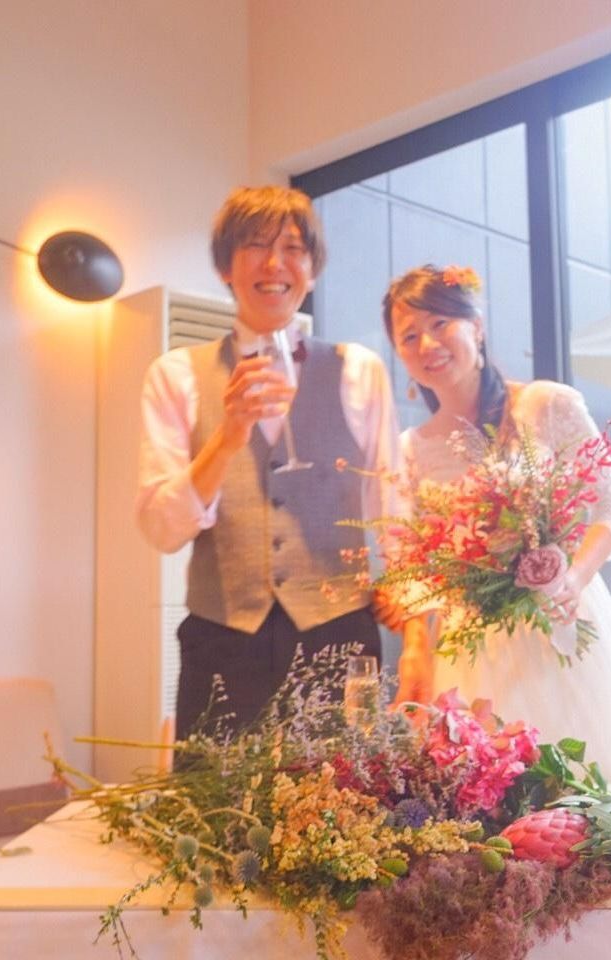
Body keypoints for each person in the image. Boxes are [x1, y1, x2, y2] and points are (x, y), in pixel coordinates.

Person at [383, 263, 611, 783]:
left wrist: (573, 579)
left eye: (440, 323)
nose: (428, 344)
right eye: (409, 336)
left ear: (476, 326)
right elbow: (410, 570)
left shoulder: (546, 404)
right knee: (494, 794)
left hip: (561, 623)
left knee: (590, 787)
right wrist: (415, 655)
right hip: (474, 645)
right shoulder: (411, 450)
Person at [136, 185, 400, 737]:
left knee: (344, 790)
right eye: (256, 245)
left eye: (293, 249)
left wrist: (415, 619)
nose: (275, 264)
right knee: (213, 793)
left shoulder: (359, 371)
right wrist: (227, 438)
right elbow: (161, 529)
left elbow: (391, 504)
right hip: (223, 640)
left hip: (339, 635)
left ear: (313, 269)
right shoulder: (175, 375)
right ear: (224, 267)